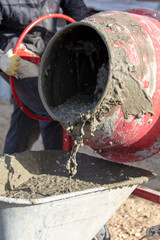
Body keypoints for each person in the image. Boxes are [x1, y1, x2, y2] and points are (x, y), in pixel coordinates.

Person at [0, 1, 110, 239]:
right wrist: (0, 58)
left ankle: (5, 184)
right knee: (52, 106)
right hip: (14, 52)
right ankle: (66, 193)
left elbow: (78, 12)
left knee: (25, 119)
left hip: (50, 45)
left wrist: (89, 35)